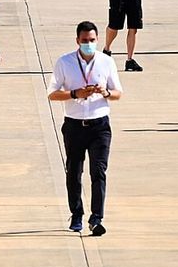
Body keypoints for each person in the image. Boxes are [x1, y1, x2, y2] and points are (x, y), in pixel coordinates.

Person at [47, 20, 123, 236]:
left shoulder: (106, 62)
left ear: (97, 40)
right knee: (74, 172)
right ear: (77, 41)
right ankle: (77, 213)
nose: (88, 44)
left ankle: (97, 217)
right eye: (84, 41)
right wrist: (74, 94)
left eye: (91, 41)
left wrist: (105, 93)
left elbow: (118, 93)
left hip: (99, 125)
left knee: (98, 171)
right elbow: (52, 94)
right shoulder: (65, 62)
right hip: (74, 124)